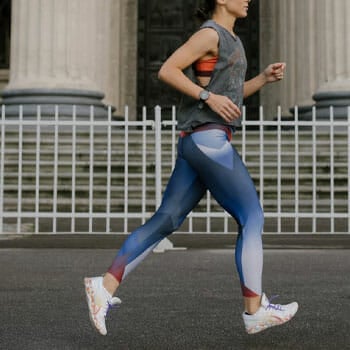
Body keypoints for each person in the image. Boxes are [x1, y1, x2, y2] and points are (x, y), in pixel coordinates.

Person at [84, 0, 298, 336]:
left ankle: (104, 287)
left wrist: (262, 79)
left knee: (166, 219)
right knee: (252, 216)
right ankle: (254, 310)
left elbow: (228, 96)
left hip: (197, 142)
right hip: (208, 140)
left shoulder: (231, 38)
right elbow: (167, 70)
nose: (248, 0)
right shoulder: (209, 34)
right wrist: (206, 97)